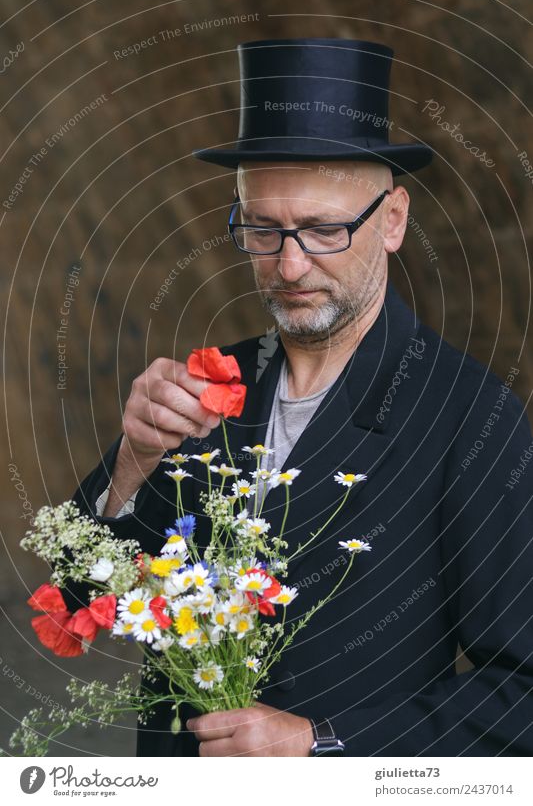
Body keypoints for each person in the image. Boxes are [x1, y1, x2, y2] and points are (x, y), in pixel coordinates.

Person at [71, 39, 533, 756]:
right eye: (262, 228)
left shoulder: (472, 417)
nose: (288, 265)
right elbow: (77, 602)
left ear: (392, 220)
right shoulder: (206, 383)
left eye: (322, 229)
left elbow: (521, 695)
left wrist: (322, 745)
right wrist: (133, 461)